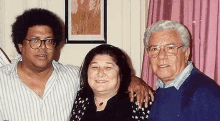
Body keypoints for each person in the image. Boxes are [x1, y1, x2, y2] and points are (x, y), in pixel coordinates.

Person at [0, 8, 153, 121]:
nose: (42, 46)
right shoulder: (2, 80)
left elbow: (105, 80)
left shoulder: (74, 76)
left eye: (48, 40)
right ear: (20, 45)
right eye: (34, 40)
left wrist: (134, 80)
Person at [143, 20, 220, 121]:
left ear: (186, 53)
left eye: (170, 48)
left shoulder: (205, 92)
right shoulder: (163, 88)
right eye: (154, 49)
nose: (161, 56)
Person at [69, 44, 152, 121]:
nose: (100, 73)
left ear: (121, 73)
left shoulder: (140, 100)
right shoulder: (80, 99)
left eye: (108, 67)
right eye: (94, 67)